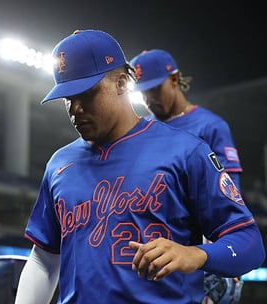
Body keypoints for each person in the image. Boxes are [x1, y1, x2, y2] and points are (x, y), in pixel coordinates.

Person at [15, 29, 265, 304]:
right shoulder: (59, 163)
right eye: (67, 98)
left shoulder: (186, 150)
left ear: (121, 83)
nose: (75, 109)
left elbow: (250, 244)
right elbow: (44, 259)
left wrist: (195, 255)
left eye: (85, 95)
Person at [129, 49, 247, 304]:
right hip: (152, 248)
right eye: (143, 92)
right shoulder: (141, 130)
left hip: (193, 248)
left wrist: (222, 253)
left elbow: (229, 196)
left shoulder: (210, 126)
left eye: (154, 89)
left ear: (174, 79)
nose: (149, 99)